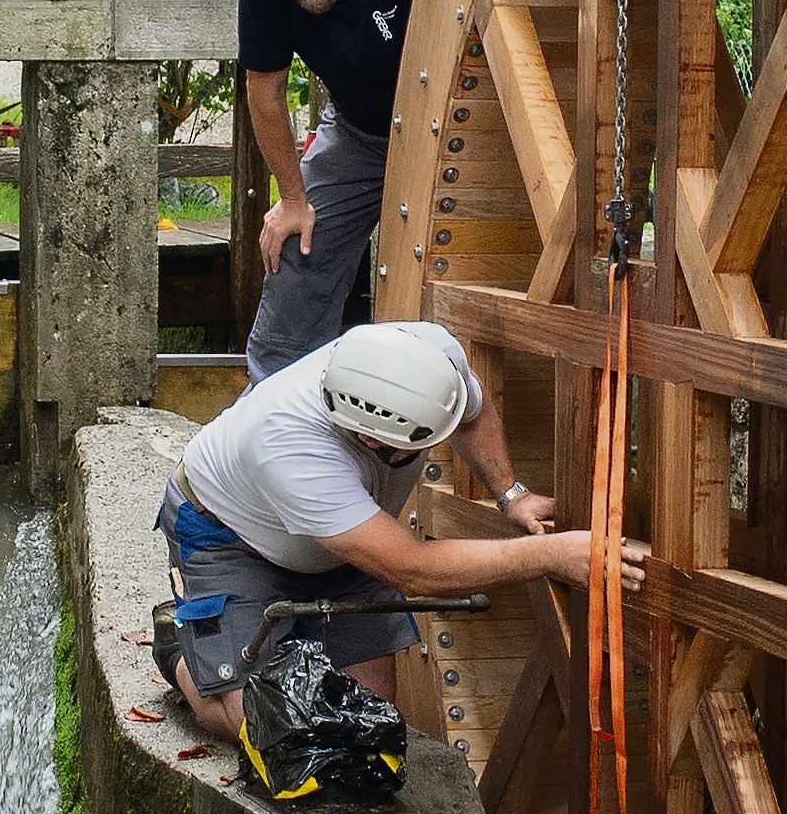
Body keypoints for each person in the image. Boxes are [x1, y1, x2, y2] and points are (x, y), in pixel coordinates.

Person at [157, 318, 636, 746]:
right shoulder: (288, 443)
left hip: (348, 538)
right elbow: (414, 571)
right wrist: (552, 555)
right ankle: (183, 656)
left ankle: (227, 648)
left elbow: (471, 414)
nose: (374, 446)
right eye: (373, 441)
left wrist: (512, 494)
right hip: (230, 534)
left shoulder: (431, 360)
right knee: (270, 727)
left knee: (370, 716)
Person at [234, 0, 428, 377]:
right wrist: (293, 199)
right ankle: (272, 412)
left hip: (441, 131)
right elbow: (266, 94)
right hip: (357, 133)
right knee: (298, 246)